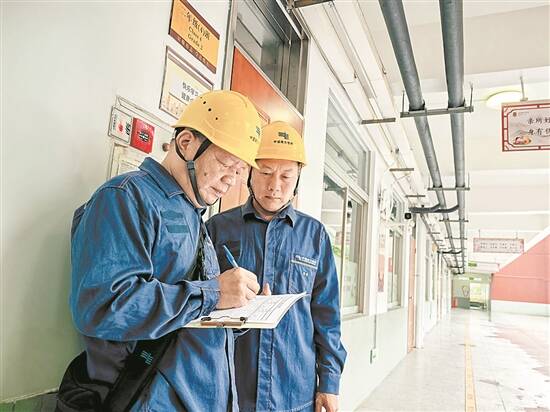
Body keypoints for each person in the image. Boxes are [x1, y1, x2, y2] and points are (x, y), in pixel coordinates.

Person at [61, 90, 263, 411]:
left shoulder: (193, 214)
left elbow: (188, 317)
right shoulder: (125, 197)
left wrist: (239, 310)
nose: (230, 180)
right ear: (186, 143)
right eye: (226, 163)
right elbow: (102, 307)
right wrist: (214, 293)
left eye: (239, 171)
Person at [206, 121, 347, 412]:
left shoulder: (315, 236)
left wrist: (329, 382)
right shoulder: (217, 229)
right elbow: (197, 301)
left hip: (293, 390)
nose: (274, 186)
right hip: (229, 387)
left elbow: (327, 316)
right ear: (249, 172)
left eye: (286, 176)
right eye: (265, 172)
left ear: (298, 179)